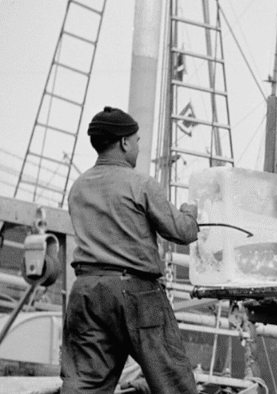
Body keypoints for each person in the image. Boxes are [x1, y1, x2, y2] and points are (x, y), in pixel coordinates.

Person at [60, 106, 200, 394]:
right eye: (136, 141)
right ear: (124, 142)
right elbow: (181, 232)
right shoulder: (141, 184)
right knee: (173, 383)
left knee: (85, 385)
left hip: (86, 292)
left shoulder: (78, 187)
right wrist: (190, 213)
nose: (137, 148)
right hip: (136, 294)